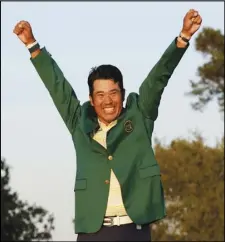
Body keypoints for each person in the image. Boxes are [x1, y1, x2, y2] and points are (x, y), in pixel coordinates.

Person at [13, 9, 202, 241]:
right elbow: (58, 87)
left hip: (134, 229)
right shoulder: (79, 123)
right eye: (100, 95)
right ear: (91, 100)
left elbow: (159, 77)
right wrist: (32, 46)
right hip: (92, 231)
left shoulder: (140, 115)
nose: (108, 101)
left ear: (122, 95)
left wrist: (182, 38)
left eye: (113, 93)